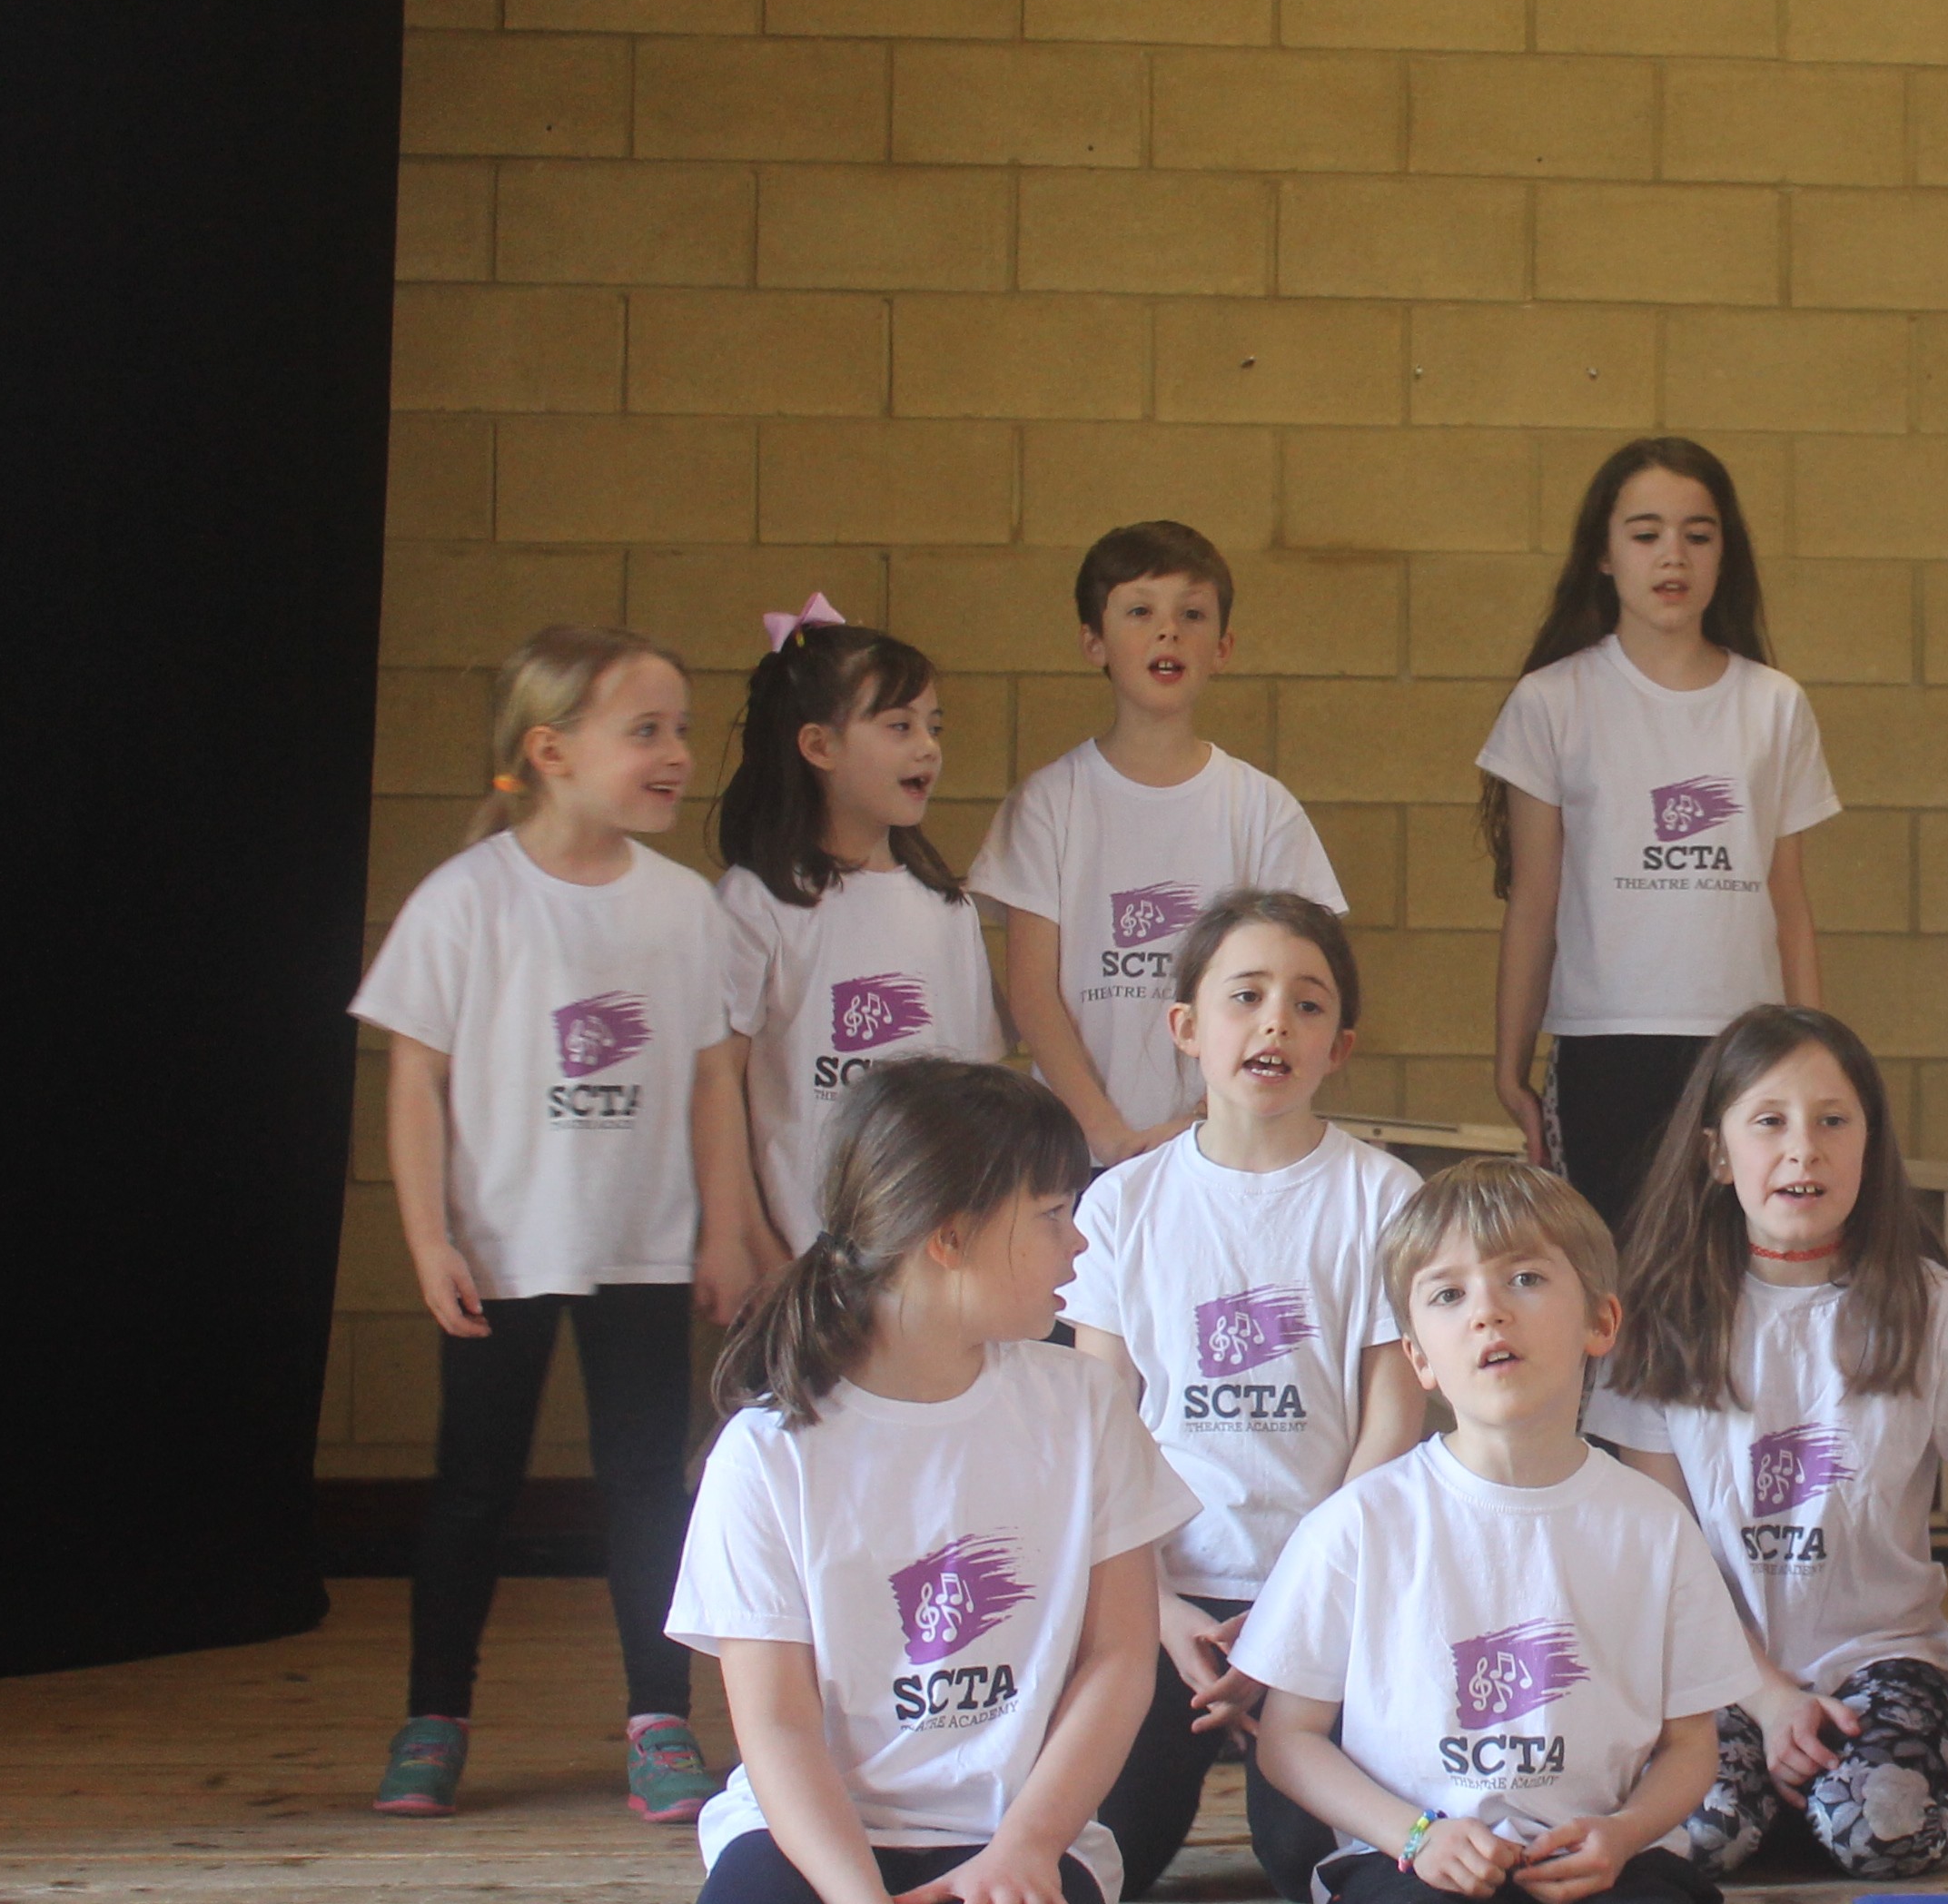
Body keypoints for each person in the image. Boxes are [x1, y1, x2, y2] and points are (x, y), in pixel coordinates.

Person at [668, 1061, 1186, 1904]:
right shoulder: (769, 1452)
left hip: (1019, 1831)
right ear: (948, 1237)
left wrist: (1028, 1844)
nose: (1079, 1244)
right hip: (805, 1841)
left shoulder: (1083, 1406)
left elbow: (1122, 1661)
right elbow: (775, 1730)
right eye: (1052, 1216)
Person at [1237, 1159, 1755, 1904]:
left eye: (1525, 1279)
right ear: (1418, 1358)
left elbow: (1692, 1749)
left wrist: (1625, 1832)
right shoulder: (1361, 1525)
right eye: (1448, 1294)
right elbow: (1288, 1740)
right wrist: (1414, 1834)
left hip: (1601, 1859)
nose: (1489, 1313)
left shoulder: (1650, 1525)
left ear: (1601, 1322)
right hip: (1413, 1865)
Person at [350, 625, 757, 1823]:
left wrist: (725, 1230)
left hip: (642, 1249)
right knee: (473, 1485)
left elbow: (714, 1079)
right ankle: (434, 1716)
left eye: (682, 729)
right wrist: (429, 1238)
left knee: (646, 1487)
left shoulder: (683, 909)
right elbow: (415, 1080)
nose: (676, 753)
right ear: (552, 751)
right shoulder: (468, 900)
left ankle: (659, 1718)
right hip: (502, 1253)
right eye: (646, 730)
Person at [1591, 1006, 1948, 1880]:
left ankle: (1852, 1797)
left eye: (1833, 1121)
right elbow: (1662, 1549)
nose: (1803, 1149)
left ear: (1870, 1148)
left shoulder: (1928, 1308)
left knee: (1883, 1833)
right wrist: (1768, 1699)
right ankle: (1795, 1801)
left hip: (1882, 1666)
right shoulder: (1661, 1315)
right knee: (1697, 1838)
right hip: (1718, 1673)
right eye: (1770, 1121)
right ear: (1716, 1154)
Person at [1068, 892, 1424, 1900]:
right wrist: (1160, 1609)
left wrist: (1296, 1611)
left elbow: (1392, 1422)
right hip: (1156, 1592)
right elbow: (1100, 1424)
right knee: (1116, 1853)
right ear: (1186, 1027)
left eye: (1307, 1005)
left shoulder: (1383, 1197)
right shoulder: (1123, 1203)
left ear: (1338, 1046)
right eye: (1247, 996)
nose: (1276, 1023)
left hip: (1319, 1596)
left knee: (1308, 1859)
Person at [1478, 438, 1839, 1239]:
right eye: (1646, 534)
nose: (1672, 555)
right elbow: (1534, 902)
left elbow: (1789, 904)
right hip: (1605, 1045)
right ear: (1604, 555)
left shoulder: (1774, 705)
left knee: (1735, 1276)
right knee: (1616, 1277)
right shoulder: (1552, 701)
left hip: (1744, 1049)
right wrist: (1510, 1065)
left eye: (1697, 535)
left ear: (1724, 554)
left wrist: (1815, 1062)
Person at [972, 520, 1346, 1167]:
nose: (1168, 632)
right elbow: (1032, 994)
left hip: (1223, 1149)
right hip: (1079, 1151)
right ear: (1094, 641)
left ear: (1222, 647)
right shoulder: (1049, 804)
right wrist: (1106, 1133)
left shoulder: (1262, 809)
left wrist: (1210, 1119)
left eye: (1192, 615)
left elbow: (1301, 984)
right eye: (1141, 611)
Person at [713, 597, 1003, 1262]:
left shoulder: (948, 910)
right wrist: (747, 1237)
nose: (927, 746)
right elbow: (716, 1088)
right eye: (899, 725)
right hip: (798, 1259)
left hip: (929, 1263)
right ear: (819, 746)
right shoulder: (755, 903)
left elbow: (974, 1091)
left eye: (933, 726)